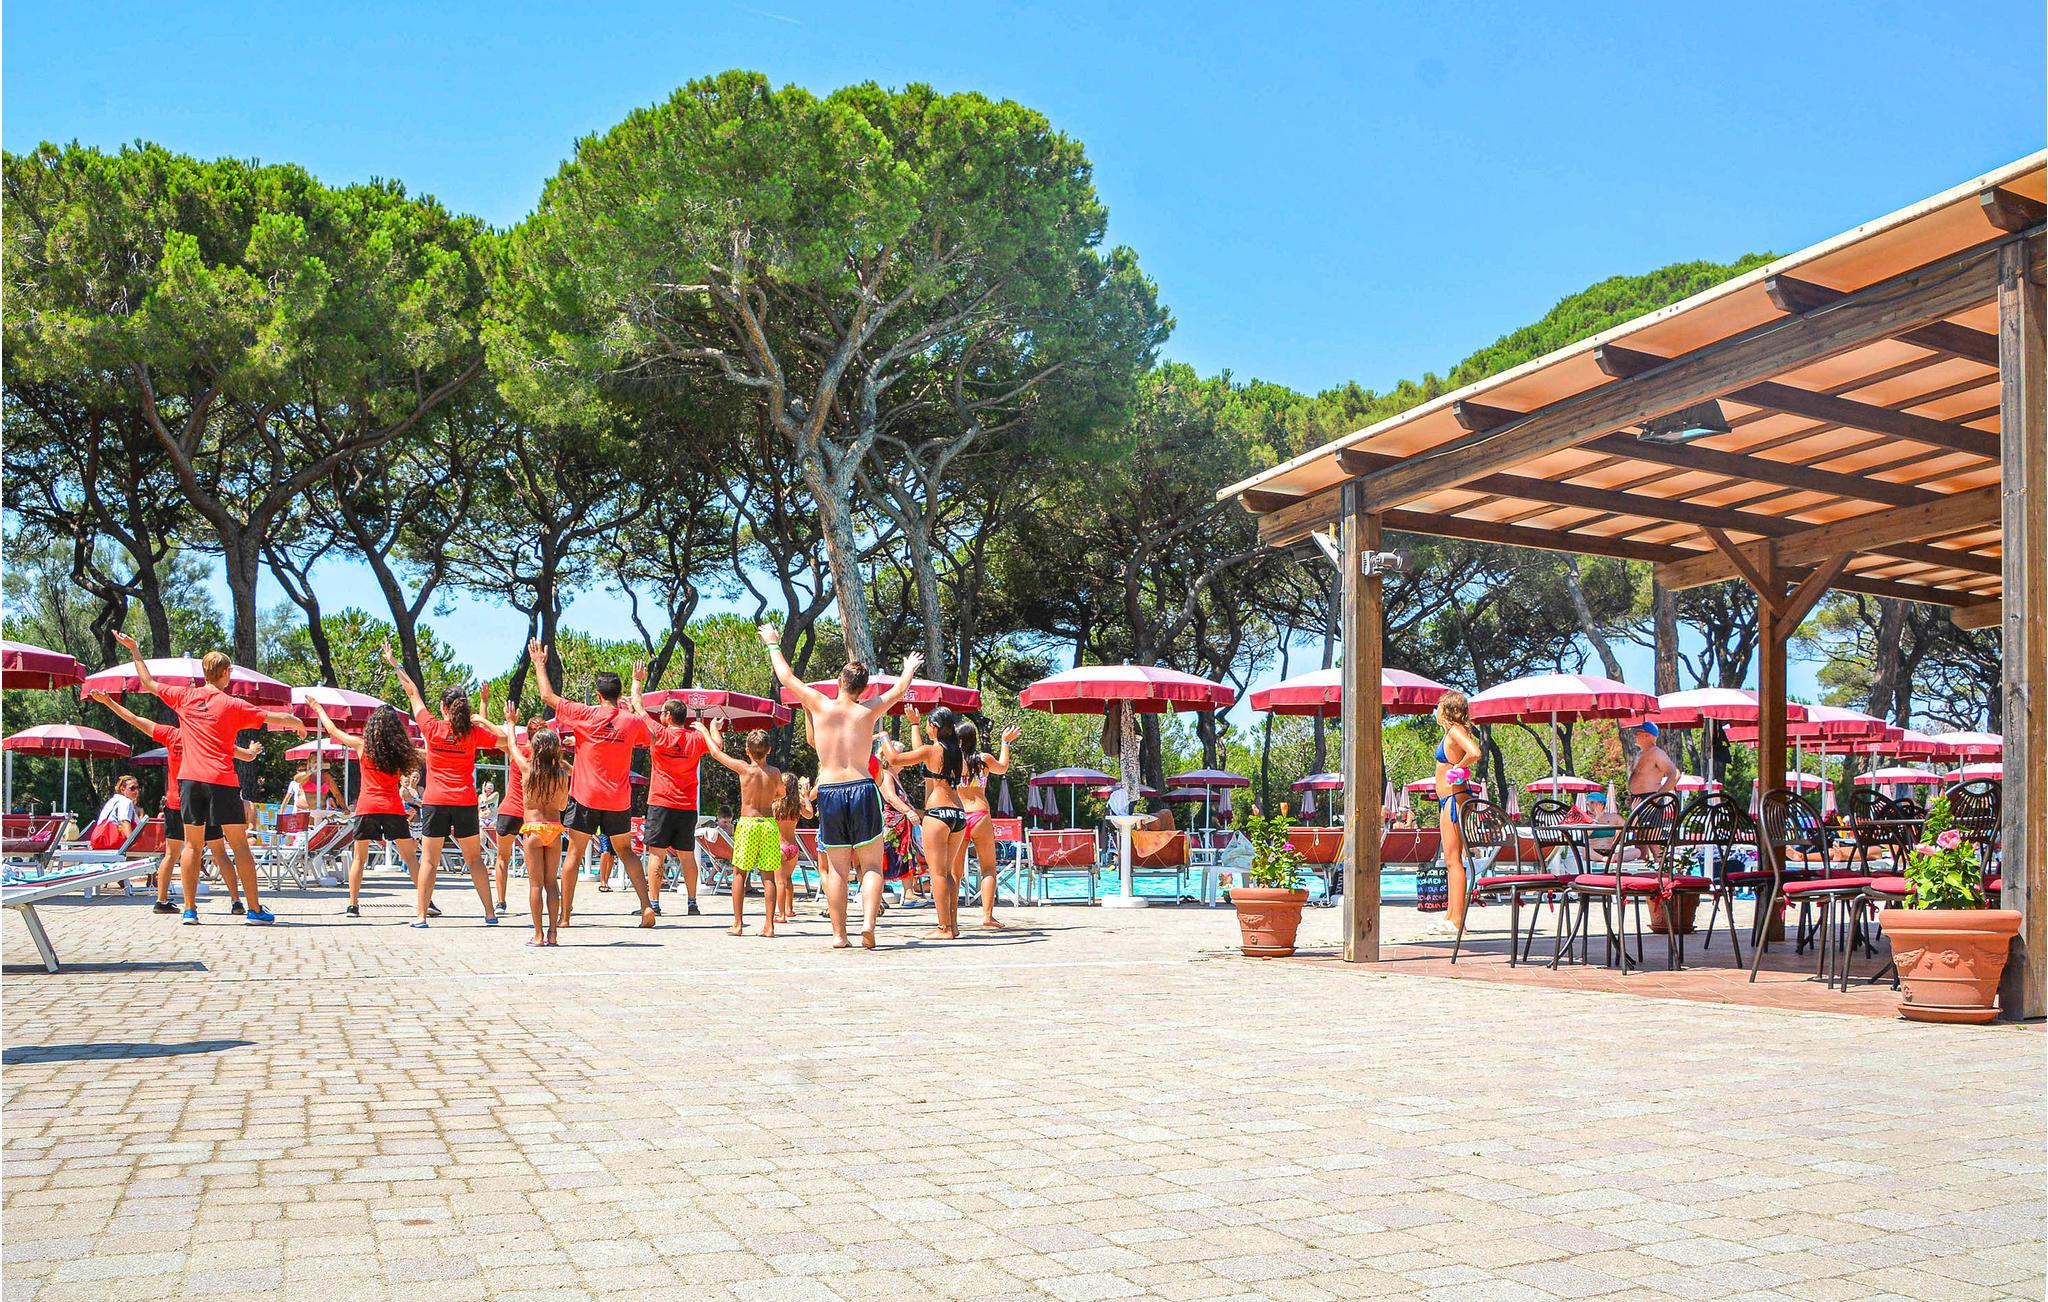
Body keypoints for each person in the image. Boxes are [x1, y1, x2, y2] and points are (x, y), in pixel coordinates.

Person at [110, 632, 305, 925]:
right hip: (222, 780)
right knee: (239, 845)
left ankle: (190, 911)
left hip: (189, 782)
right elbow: (270, 716)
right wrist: (297, 722)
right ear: (225, 673)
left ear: (204, 673)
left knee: (192, 846)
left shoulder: (184, 696)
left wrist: (135, 650)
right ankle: (254, 909)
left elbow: (148, 682)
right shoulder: (233, 704)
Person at [759, 624, 922, 949]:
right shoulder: (868, 709)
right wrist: (908, 668)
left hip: (830, 790)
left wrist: (773, 643)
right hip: (863, 787)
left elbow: (786, 677)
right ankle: (868, 925)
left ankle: (839, 935)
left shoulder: (820, 704)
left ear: (839, 682)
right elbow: (899, 690)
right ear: (863, 689)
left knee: (836, 869)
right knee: (871, 865)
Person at [525, 640, 657, 928]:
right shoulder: (629, 721)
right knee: (626, 852)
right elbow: (651, 738)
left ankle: (565, 915)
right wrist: (637, 691)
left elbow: (547, 696)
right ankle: (647, 906)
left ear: (598, 695)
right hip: (618, 799)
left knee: (574, 853)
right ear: (618, 695)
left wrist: (538, 663)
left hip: (586, 797)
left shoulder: (584, 714)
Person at [385, 646, 499, 926]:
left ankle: (421, 916)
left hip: (436, 801)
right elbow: (503, 740)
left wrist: (395, 663)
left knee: (429, 861)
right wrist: (483, 717)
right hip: (465, 802)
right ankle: (490, 913)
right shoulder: (473, 733)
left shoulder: (432, 727)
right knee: (475, 860)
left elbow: (412, 692)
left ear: (443, 707)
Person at [307, 700, 431, 921]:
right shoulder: (400, 752)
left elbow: (333, 730)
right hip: (392, 807)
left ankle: (353, 905)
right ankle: (426, 902)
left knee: (359, 858)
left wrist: (318, 708)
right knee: (411, 858)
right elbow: (431, 754)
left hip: (367, 807)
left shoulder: (362, 746)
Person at [879, 705, 971, 941]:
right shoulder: (957, 753)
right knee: (948, 873)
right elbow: (922, 751)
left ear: (935, 727)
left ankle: (943, 928)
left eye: (928, 725)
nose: (927, 728)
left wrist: (884, 737)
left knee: (937, 874)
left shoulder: (932, 751)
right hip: (959, 814)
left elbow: (894, 758)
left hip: (937, 814)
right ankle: (953, 925)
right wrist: (914, 724)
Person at [627, 664, 711, 917]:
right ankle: (692, 903)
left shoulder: (659, 734)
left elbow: (638, 705)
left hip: (661, 802)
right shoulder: (695, 739)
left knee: (657, 854)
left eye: (662, 711)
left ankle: (654, 904)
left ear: (667, 715)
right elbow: (717, 745)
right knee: (687, 855)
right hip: (686, 805)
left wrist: (637, 680)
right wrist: (710, 730)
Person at [694, 721, 785, 937]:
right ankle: (769, 926)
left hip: (748, 824)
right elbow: (782, 793)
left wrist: (707, 730)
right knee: (768, 876)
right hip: (768, 824)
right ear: (769, 750)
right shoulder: (774, 772)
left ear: (747, 750)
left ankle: (738, 924)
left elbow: (716, 753)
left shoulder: (744, 769)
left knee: (739, 874)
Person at [505, 724, 572, 946]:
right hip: (553, 828)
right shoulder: (561, 774)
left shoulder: (527, 770)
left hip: (533, 828)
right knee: (551, 883)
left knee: (535, 885)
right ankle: (553, 934)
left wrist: (511, 723)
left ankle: (538, 935)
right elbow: (562, 806)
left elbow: (512, 746)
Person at [953, 718, 1020, 931]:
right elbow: (1003, 767)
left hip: (960, 815)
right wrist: (1005, 742)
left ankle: (951, 918)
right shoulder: (983, 759)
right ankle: (987, 916)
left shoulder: (951, 760)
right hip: (980, 814)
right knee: (988, 868)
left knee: (954, 872)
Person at [1431, 691, 1483, 936]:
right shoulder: (1453, 731)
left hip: (1454, 799)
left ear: (1447, 709)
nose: (1436, 710)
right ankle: (1450, 916)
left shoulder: (1455, 730)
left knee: (1453, 860)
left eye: (1439, 706)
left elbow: (1475, 752)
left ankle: (1457, 919)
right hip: (1450, 799)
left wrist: (1458, 769)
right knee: (1451, 860)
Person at [484, 702, 532, 917]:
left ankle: (501, 902)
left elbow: (493, 735)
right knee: (534, 862)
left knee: (502, 858)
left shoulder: (517, 751)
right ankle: (538, 900)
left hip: (510, 810)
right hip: (531, 814)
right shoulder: (547, 757)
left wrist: (507, 721)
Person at [774, 776, 814, 924]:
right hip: (793, 848)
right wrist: (807, 797)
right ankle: (789, 909)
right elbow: (810, 815)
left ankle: (781, 915)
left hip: (779, 847)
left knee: (779, 881)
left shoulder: (775, 806)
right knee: (788, 878)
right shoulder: (797, 806)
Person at [1628, 721, 1679, 802]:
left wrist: (1658, 795)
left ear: (1647, 735)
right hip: (1639, 799)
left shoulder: (1657, 753)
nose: (1635, 736)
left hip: (1651, 799)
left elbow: (1675, 774)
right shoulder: (1640, 754)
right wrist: (1633, 796)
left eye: (1637, 733)